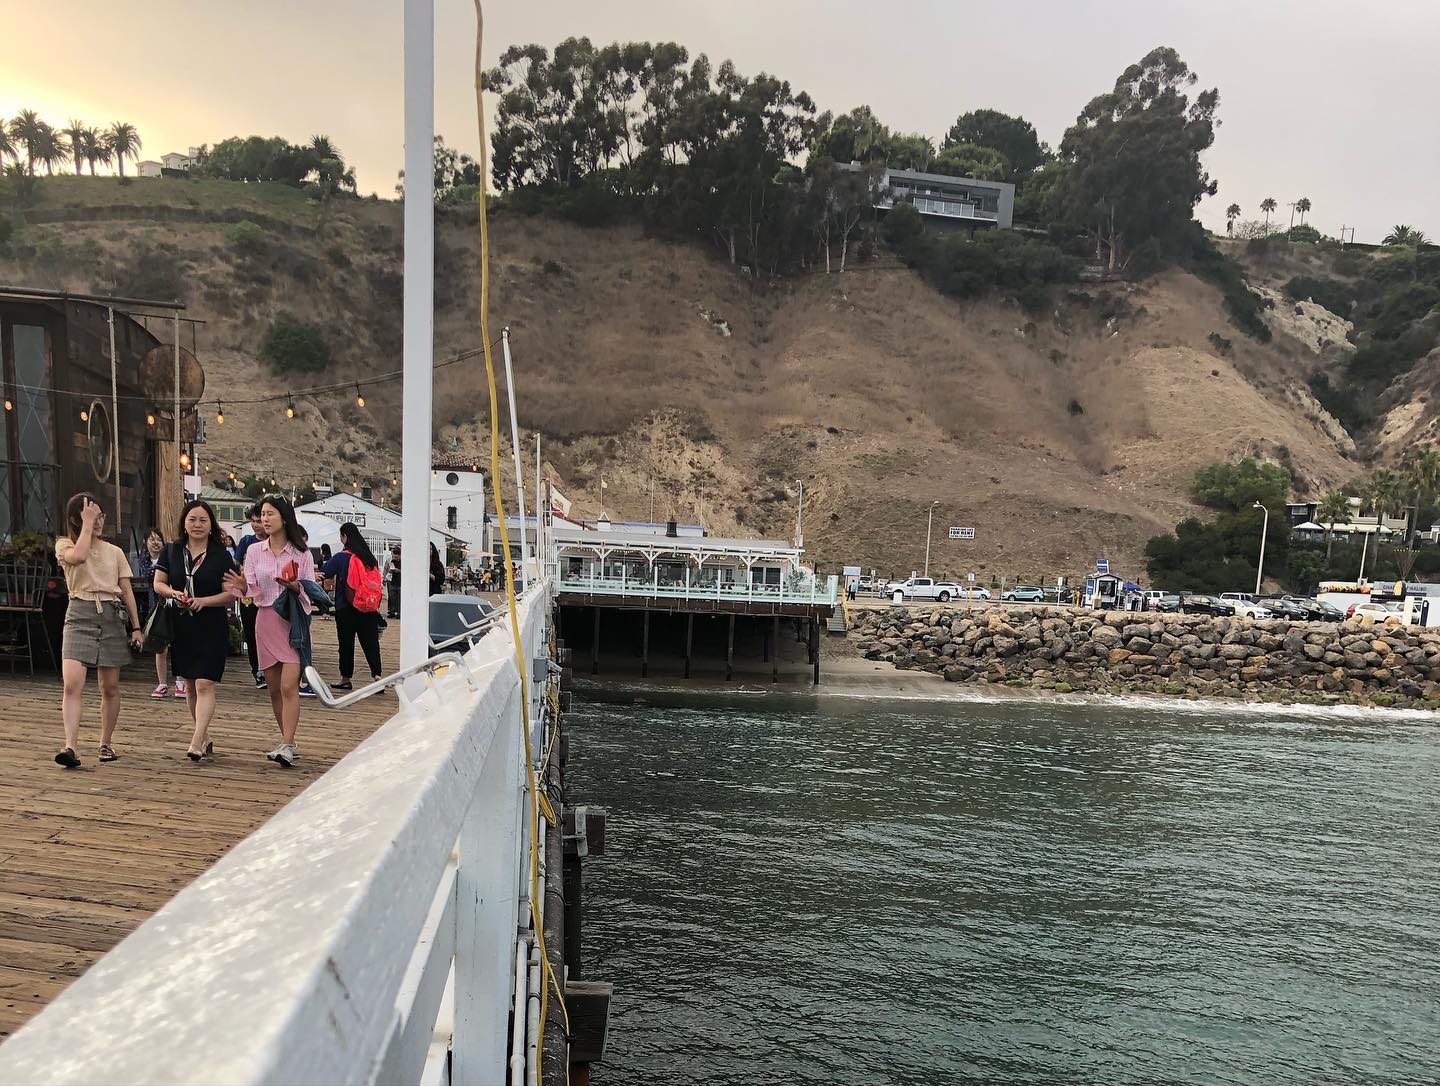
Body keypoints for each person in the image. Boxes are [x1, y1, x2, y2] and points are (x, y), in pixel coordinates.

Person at [54, 494, 145, 768]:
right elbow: (79, 557)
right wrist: (86, 524)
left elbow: (127, 590)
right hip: (79, 611)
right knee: (72, 683)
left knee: (110, 686)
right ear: (76, 519)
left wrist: (137, 627)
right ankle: (71, 745)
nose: (98, 522)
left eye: (100, 516)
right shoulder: (64, 544)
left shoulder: (114, 552)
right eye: (92, 516)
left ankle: (105, 743)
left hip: (109, 613)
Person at [154, 500, 239, 761]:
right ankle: (204, 735)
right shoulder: (172, 550)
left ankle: (195, 741)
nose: (197, 524)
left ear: (211, 523)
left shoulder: (221, 554)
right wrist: (173, 593)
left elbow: (231, 595)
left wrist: (204, 601)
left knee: (204, 682)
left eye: (203, 520)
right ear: (184, 522)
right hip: (182, 622)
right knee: (190, 684)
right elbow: (158, 583)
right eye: (192, 519)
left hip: (211, 624)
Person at [241, 495, 316, 767]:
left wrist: (296, 587)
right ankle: (289, 738)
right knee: (273, 688)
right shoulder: (253, 551)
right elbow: (251, 590)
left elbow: (311, 591)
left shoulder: (302, 553)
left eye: (270, 514)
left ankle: (286, 743)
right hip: (264, 618)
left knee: (288, 686)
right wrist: (241, 587)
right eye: (262, 514)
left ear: (284, 517)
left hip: (293, 620)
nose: (265, 519)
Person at [321, 523, 384, 690]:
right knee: (371, 643)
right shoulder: (369, 558)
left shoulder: (342, 557)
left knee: (346, 644)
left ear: (345, 537)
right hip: (369, 607)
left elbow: (325, 571)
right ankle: (378, 678)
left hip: (346, 607)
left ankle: (345, 678)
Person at [136, 527, 183, 699]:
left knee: (179, 643)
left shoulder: (171, 556)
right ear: (145, 542)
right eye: (152, 539)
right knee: (159, 645)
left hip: (176, 603)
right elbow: (149, 575)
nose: (155, 543)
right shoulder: (144, 559)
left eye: (158, 539)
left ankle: (180, 681)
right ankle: (162, 683)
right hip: (156, 605)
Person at [233, 505, 266, 688]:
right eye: (252, 521)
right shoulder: (247, 541)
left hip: (268, 594)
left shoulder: (274, 541)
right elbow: (237, 564)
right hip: (249, 594)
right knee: (251, 632)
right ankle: (257, 670)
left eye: (258, 521)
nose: (255, 525)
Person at [385, 546, 402, 619]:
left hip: (400, 582)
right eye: (394, 557)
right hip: (393, 581)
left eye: (396, 557)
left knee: (399, 599)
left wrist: (398, 571)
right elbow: (388, 569)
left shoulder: (403, 562)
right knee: (391, 598)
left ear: (400, 555)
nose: (395, 558)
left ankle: (399, 613)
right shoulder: (392, 561)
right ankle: (391, 612)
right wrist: (390, 570)